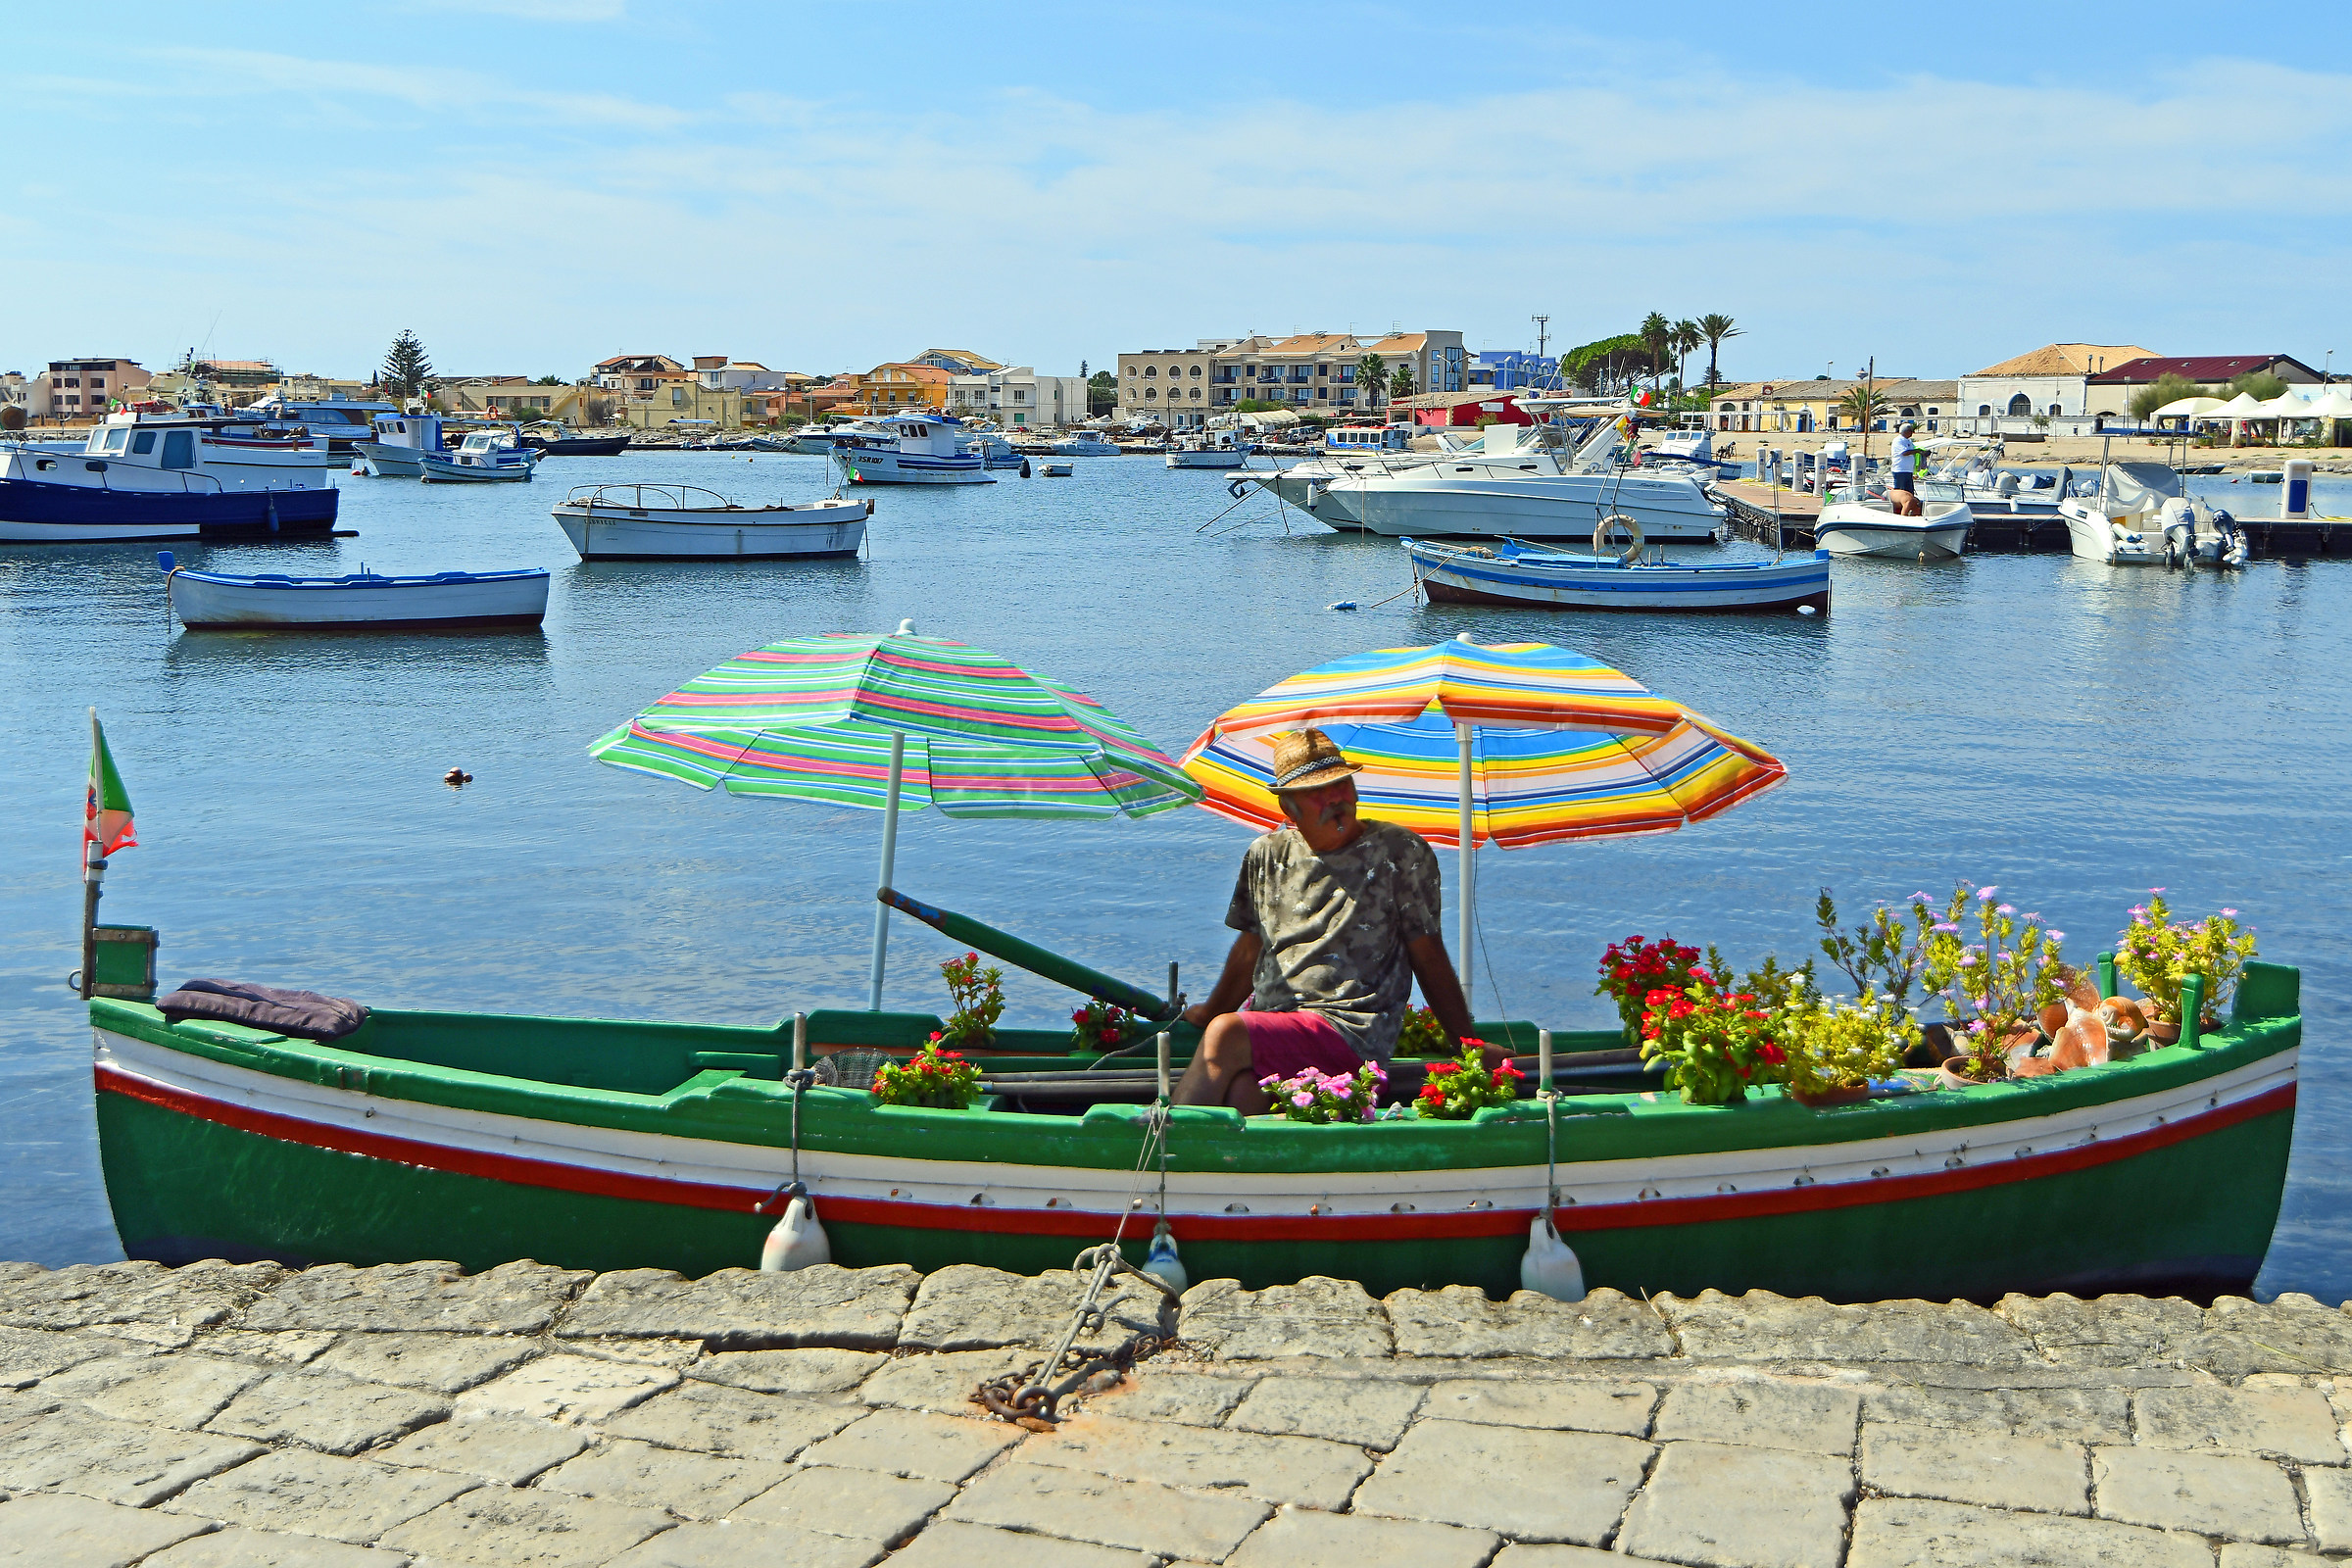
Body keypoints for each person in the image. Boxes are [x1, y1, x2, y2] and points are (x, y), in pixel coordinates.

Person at [1175, 727, 1478, 1112]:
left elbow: (1428, 954)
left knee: (1226, 1032)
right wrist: (1207, 1010)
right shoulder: (1267, 854)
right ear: (1289, 807)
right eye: (1317, 791)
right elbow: (1249, 947)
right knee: (1241, 1094)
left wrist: (1467, 1046)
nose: (1335, 797)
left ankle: (1164, 1146)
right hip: (1275, 1026)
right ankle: (1232, 1168)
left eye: (1342, 784)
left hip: (1351, 1029)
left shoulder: (1399, 853)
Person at [1887, 420, 1923, 516]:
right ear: (1905, 431)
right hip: (1900, 470)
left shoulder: (1909, 441)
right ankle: (1900, 513)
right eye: (1910, 431)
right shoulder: (1898, 440)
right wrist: (1917, 451)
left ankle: (1911, 512)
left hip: (1908, 471)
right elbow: (1904, 452)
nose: (1912, 433)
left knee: (1909, 493)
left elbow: (1911, 451)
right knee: (1901, 493)